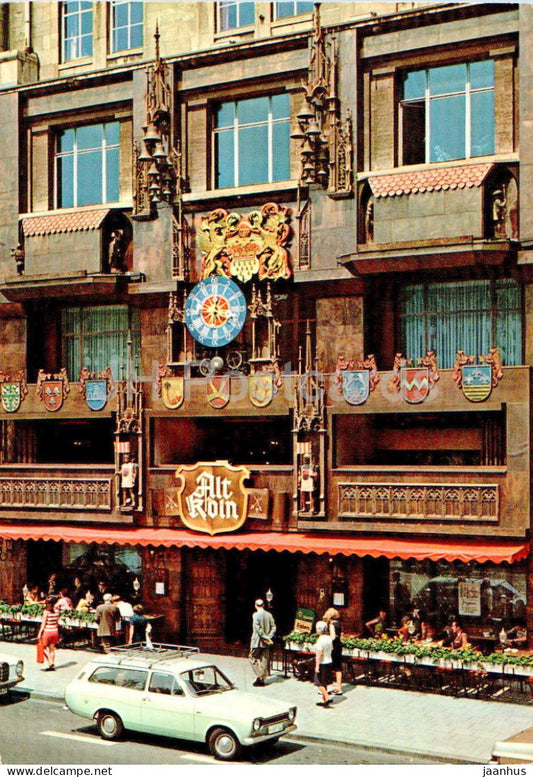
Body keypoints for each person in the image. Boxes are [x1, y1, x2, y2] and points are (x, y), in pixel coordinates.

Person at [249, 598, 276, 688]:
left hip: (257, 641)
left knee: (252, 657)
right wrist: (269, 637)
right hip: (266, 642)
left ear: (255, 605)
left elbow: (258, 629)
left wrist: (264, 637)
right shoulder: (269, 615)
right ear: (263, 605)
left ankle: (260, 676)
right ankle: (262, 678)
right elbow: (273, 627)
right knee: (264, 659)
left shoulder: (255, 615)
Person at [313, 620, 333, 707]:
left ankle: (327, 697)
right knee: (324, 682)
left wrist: (317, 666)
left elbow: (319, 654)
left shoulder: (320, 640)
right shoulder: (329, 638)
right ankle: (324, 700)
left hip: (322, 663)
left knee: (318, 683)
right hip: (329, 661)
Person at [323, 607, 343, 695]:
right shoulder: (338, 624)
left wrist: (326, 641)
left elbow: (333, 637)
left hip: (333, 646)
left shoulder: (331, 625)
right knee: (338, 667)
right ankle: (339, 688)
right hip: (339, 646)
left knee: (328, 666)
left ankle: (326, 687)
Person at [37, 596, 60, 671]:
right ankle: (51, 665)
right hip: (55, 631)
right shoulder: (57, 612)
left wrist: (40, 633)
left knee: (43, 648)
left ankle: (50, 661)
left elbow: (43, 624)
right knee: (52, 649)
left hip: (47, 631)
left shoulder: (46, 612)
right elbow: (57, 622)